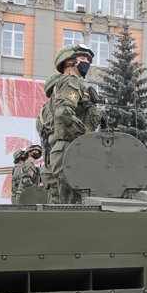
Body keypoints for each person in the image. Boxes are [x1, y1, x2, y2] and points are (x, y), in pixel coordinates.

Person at [41, 43, 103, 204]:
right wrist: (85, 135)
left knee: (70, 202)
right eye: (82, 58)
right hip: (71, 148)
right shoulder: (71, 81)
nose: (87, 62)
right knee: (72, 205)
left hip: (68, 148)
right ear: (69, 61)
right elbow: (64, 112)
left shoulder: (66, 85)